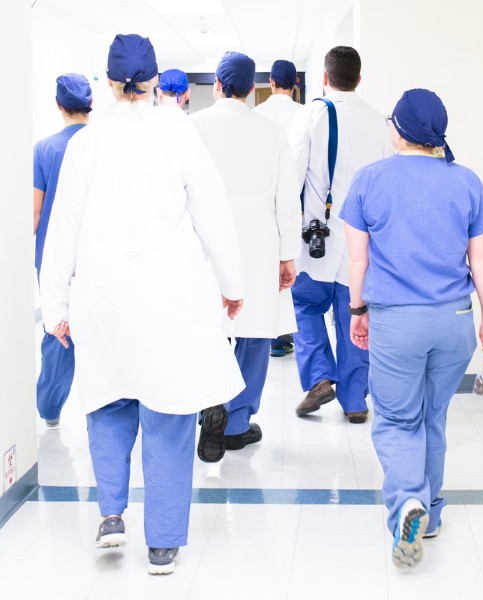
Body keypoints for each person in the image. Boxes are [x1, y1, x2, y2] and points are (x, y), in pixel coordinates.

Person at [39, 33, 246, 575]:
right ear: (155, 82)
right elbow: (213, 215)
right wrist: (232, 284)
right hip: (168, 295)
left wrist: (54, 304)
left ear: (108, 83)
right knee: (169, 414)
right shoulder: (179, 135)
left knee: (108, 401)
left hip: (102, 296)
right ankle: (162, 544)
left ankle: (111, 515)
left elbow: (62, 229)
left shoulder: (86, 143)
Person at [340, 88, 483, 568]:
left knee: (396, 420)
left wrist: (356, 311)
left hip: (397, 323)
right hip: (454, 322)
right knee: (433, 418)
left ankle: (407, 501)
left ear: (399, 129)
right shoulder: (467, 182)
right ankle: (429, 515)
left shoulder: (370, 180)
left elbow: (357, 259)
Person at [191, 51, 300, 461]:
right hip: (258, 241)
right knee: (254, 333)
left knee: (207, 327)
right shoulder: (271, 132)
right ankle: (236, 423)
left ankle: (207, 403)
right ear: (253, 89)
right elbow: (288, 201)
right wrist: (288, 256)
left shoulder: (193, 127)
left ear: (218, 85)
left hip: (205, 240)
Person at [289, 46, 388, 424]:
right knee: (356, 317)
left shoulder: (312, 114)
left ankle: (319, 377)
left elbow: (293, 177)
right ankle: (355, 401)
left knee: (305, 308)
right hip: (361, 245)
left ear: (326, 78)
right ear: (359, 79)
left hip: (316, 241)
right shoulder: (380, 122)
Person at [33, 73, 92, 428]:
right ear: (91, 105)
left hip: (54, 253)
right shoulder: (104, 143)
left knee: (59, 329)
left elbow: (35, 211)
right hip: (96, 252)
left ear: (58, 106)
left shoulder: (44, 148)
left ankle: (51, 408)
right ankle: (107, 406)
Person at [253, 59, 302, 358]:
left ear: (270, 82)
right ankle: (288, 335)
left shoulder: (257, 115)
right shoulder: (306, 114)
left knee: (266, 270)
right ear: (295, 82)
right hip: (295, 202)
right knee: (293, 270)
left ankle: (273, 336)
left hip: (263, 204)